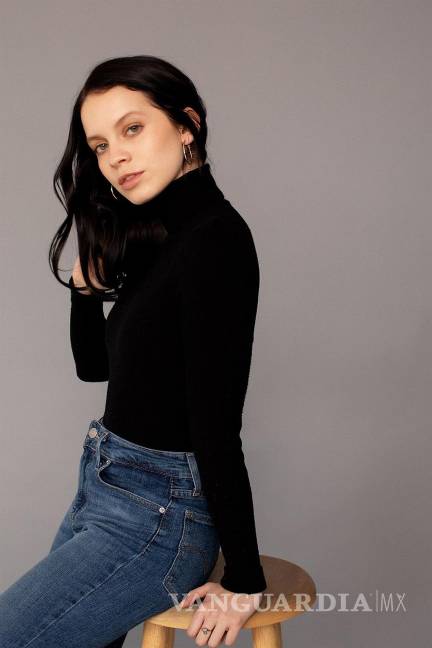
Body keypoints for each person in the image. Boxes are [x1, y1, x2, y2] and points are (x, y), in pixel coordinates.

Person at [0, 55, 267, 648]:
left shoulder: (215, 240)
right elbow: (96, 369)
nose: (115, 157)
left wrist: (245, 578)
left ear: (187, 125)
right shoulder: (158, 234)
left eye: (133, 129)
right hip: (106, 484)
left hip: (158, 518)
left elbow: (215, 422)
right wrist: (83, 295)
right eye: (99, 145)